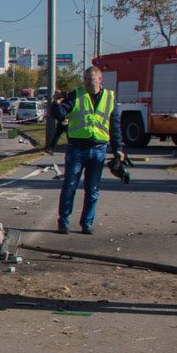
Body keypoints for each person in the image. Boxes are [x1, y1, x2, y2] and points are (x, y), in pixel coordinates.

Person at [47, 66, 124, 234]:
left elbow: (115, 125)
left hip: (98, 149)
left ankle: (87, 223)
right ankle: (63, 222)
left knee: (92, 189)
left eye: (91, 79)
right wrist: (55, 104)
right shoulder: (76, 95)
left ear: (100, 79)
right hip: (77, 148)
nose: (88, 82)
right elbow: (61, 115)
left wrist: (118, 148)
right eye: (86, 79)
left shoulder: (110, 97)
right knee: (70, 186)